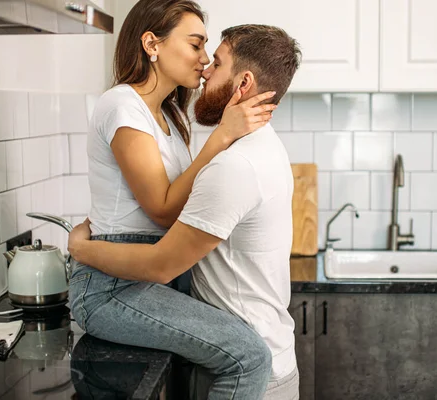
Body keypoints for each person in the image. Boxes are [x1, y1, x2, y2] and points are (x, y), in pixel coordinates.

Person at [69, 24, 302, 399]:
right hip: (261, 360)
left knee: (249, 357)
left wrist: (81, 249)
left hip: (256, 373)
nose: (207, 64)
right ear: (150, 45)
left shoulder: (236, 165)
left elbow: (162, 261)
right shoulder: (255, 150)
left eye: (217, 59)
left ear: (243, 84)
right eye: (197, 45)